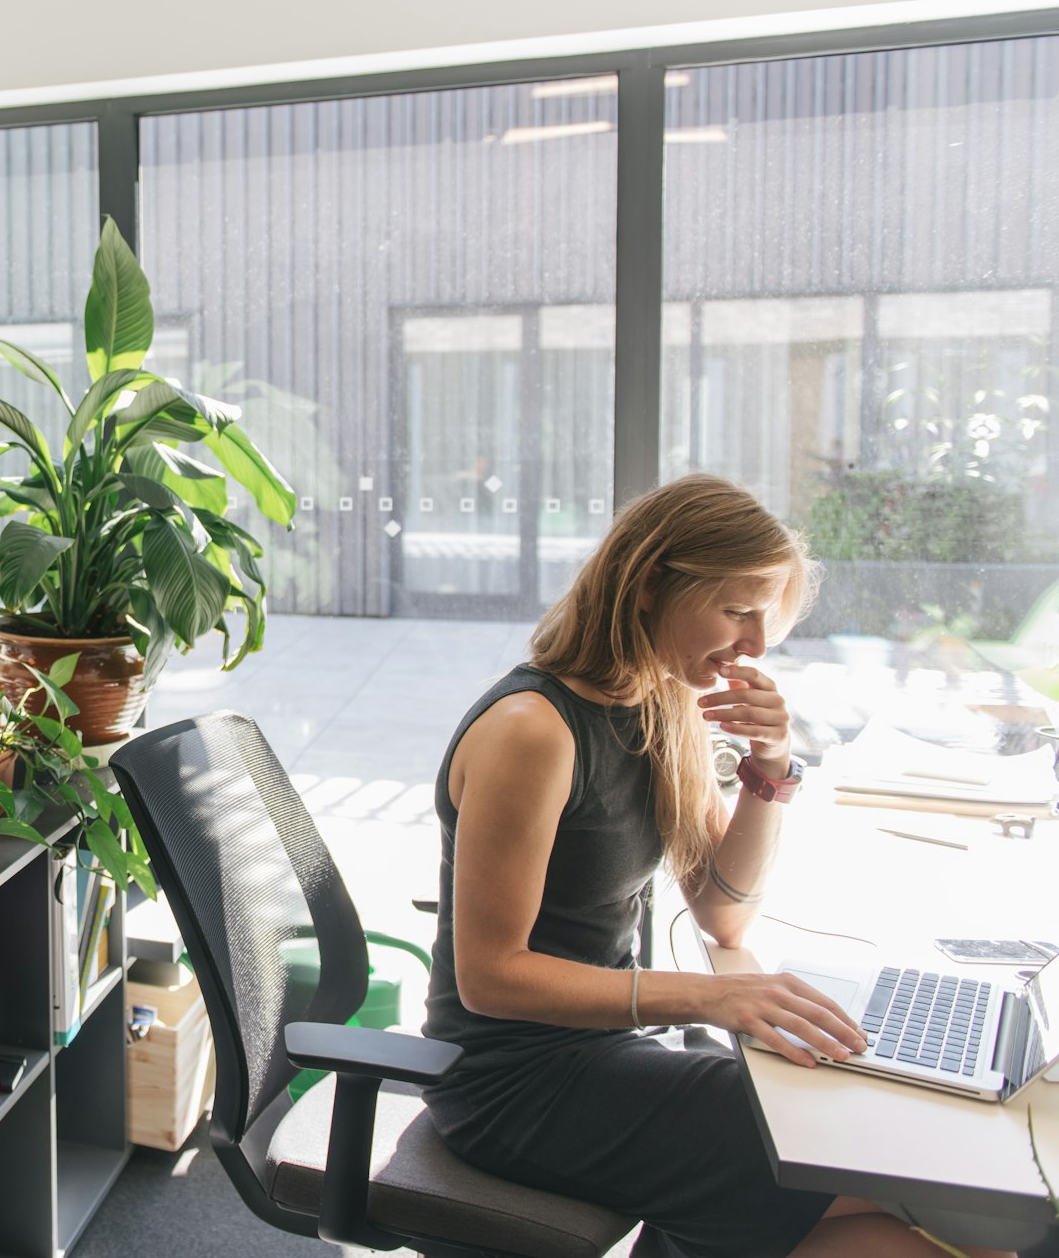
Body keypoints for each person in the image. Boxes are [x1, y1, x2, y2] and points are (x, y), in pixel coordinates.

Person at [420, 474, 1015, 1258]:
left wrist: (771, 765)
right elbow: (492, 976)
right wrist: (712, 996)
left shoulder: (661, 701)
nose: (757, 643)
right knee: (880, 1182)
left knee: (891, 1183)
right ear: (647, 588)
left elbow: (724, 912)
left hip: (602, 1050)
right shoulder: (533, 730)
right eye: (737, 610)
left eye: (767, 615)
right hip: (512, 1082)